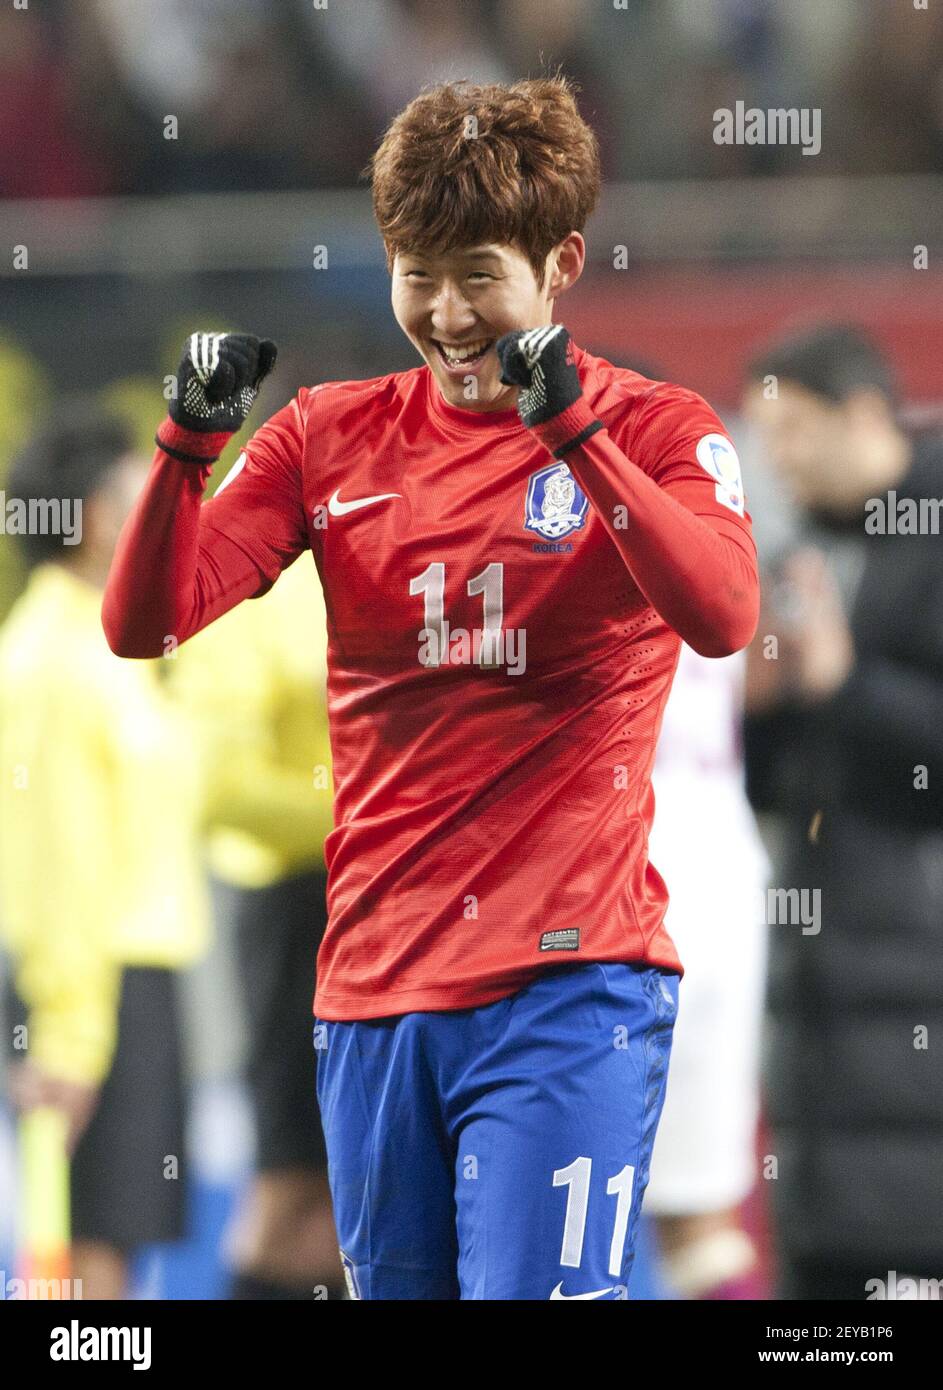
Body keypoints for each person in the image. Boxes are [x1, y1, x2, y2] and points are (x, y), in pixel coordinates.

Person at [102, 77, 759, 1301]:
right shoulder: (322, 437)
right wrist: (187, 452)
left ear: (559, 263)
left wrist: (577, 439)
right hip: (371, 991)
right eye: (416, 275)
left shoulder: (656, 427)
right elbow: (146, 623)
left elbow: (723, 617)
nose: (448, 316)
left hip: (569, 985)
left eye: (477, 277)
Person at [742, 324, 943, 1300]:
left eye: (791, 431)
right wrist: (766, 714)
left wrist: (844, 683)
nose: (774, 458)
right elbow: (780, 789)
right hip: (822, 999)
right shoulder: (803, 554)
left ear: (863, 414)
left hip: (912, 982)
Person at [0, 407, 210, 1299]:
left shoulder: (107, 645)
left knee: (112, 1262)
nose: (159, 513)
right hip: (87, 995)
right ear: (90, 516)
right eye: (139, 494)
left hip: (132, 982)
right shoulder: (50, 661)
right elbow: (56, 859)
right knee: (81, 1269)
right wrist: (70, 1038)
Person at [167, 551, 343, 1300]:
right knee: (288, 1184)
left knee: (350, 1193)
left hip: (373, 899)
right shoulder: (246, 582)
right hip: (291, 907)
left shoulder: (377, 547)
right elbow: (215, 788)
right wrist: (368, 814)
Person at [645, 643, 770, 1299]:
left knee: (535, 1212)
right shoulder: (740, 537)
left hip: (599, 887)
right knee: (702, 1227)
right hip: (717, 870)